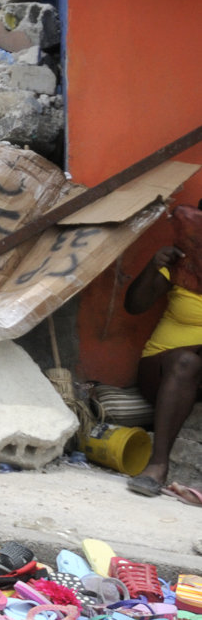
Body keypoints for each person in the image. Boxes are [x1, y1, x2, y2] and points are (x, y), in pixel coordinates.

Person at [124, 210, 202, 496]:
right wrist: (153, 266)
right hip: (163, 372)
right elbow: (134, 305)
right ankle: (157, 466)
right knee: (187, 360)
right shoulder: (183, 265)